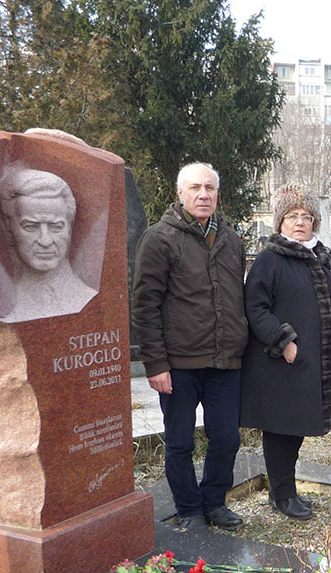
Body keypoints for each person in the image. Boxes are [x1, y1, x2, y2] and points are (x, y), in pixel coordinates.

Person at [132, 162, 247, 532]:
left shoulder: (231, 239)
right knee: (180, 442)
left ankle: (214, 502)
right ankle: (189, 509)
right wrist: (155, 364)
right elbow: (145, 304)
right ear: (180, 193)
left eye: (210, 188)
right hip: (178, 364)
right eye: (195, 187)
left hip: (225, 362)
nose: (203, 194)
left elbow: (236, 297)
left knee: (226, 438)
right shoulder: (159, 239)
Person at [241, 184, 331, 520]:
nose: (300, 222)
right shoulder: (270, 258)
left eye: (306, 216)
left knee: (299, 426)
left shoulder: (323, 257)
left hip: (315, 360)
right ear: (280, 222)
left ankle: (284, 489)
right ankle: (282, 494)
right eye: (292, 216)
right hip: (280, 362)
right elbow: (255, 307)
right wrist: (283, 341)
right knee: (281, 428)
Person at [0, 167, 96, 323]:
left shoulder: (87, 297)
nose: (45, 241)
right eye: (31, 227)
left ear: (69, 229)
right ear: (9, 229)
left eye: (56, 227)